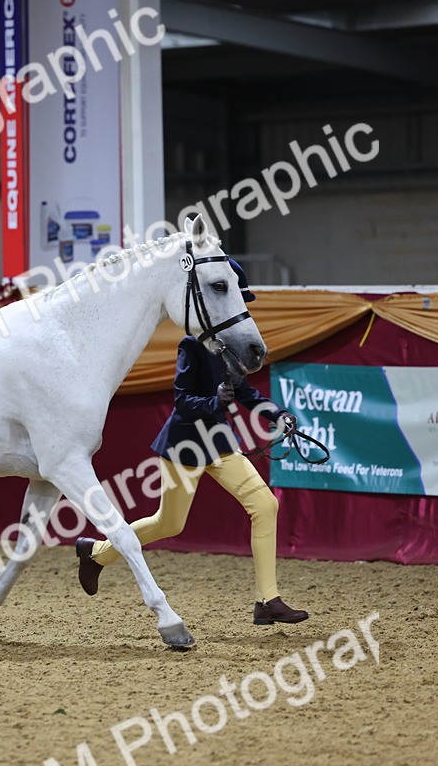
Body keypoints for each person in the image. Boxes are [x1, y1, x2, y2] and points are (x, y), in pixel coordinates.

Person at [75, 260, 308, 625]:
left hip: (218, 442)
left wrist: (277, 415)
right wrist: (216, 401)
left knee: (265, 506)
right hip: (183, 446)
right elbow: (183, 400)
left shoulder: (230, 347)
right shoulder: (191, 346)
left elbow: (245, 392)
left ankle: (267, 600)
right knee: (168, 524)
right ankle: (98, 553)